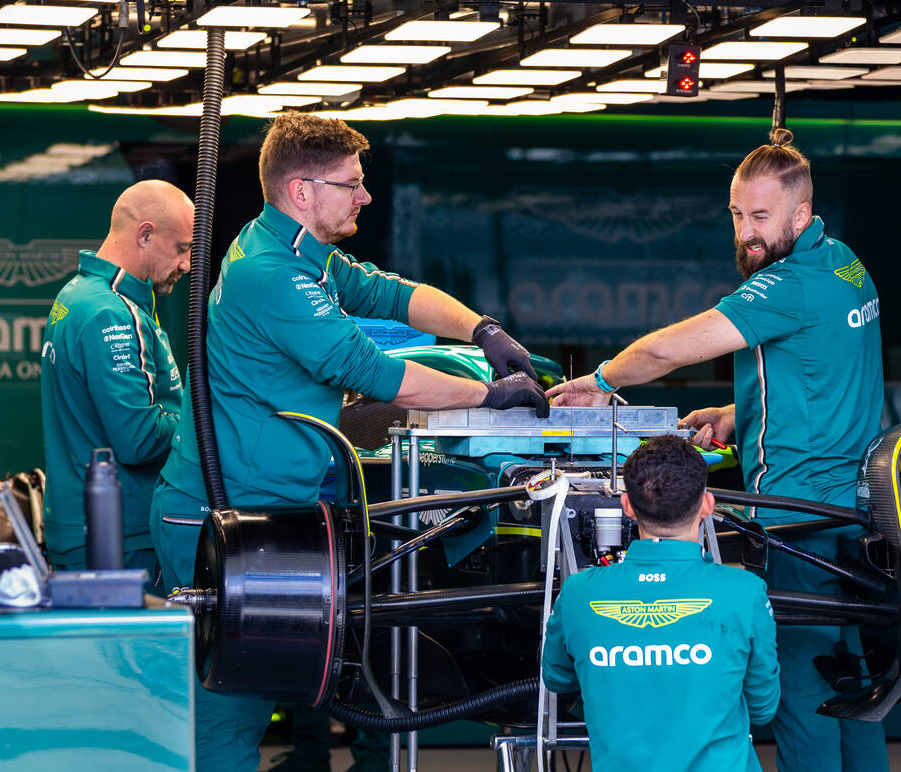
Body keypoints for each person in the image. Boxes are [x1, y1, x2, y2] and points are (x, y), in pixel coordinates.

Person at [149, 113, 548, 771]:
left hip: (275, 507)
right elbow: (374, 373)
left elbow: (395, 295)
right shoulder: (270, 274)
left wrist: (484, 331)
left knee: (284, 678)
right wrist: (489, 396)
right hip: (217, 515)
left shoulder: (310, 258)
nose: (365, 196)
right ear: (303, 192)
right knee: (229, 710)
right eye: (352, 184)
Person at [547, 129, 887, 772]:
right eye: (736, 214)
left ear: (801, 213)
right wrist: (740, 415)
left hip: (798, 512)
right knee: (853, 680)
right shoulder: (845, 264)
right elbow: (828, 374)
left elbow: (669, 348)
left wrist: (600, 382)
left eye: (760, 216)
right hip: (851, 508)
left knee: (805, 688)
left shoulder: (789, 284)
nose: (745, 231)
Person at [541, 435, 780, 771]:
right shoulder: (746, 592)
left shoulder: (578, 592)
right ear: (708, 504)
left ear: (626, 505)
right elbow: (763, 709)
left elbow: (557, 680)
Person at [40, 179, 193, 575]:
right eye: (182, 249)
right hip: (121, 539)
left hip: (88, 532)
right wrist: (203, 416)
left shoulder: (76, 295)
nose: (186, 265)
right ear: (145, 234)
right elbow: (138, 441)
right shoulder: (112, 312)